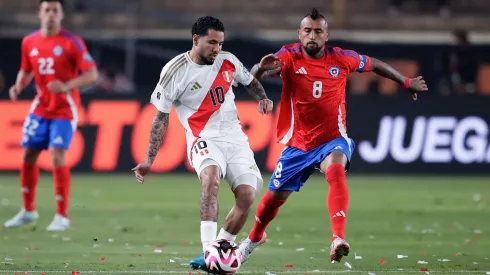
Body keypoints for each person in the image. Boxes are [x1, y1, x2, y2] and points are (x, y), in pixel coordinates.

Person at [238, 8, 428, 263]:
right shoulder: (288, 56)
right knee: (273, 200)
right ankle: (254, 238)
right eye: (307, 31)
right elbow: (252, 76)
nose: (312, 36)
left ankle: (337, 237)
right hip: (299, 144)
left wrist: (406, 82)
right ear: (299, 34)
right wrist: (261, 69)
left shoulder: (341, 58)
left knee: (336, 168)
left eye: (318, 31)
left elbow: (375, 64)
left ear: (327, 35)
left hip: (332, 138)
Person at [131, 16, 273, 272]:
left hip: (235, 138)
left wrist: (262, 97)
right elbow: (160, 118)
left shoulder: (227, 60)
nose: (217, 49)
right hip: (203, 138)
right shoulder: (175, 71)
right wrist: (149, 160)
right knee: (210, 179)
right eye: (211, 43)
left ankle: (222, 247)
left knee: (246, 196)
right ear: (195, 39)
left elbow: (249, 81)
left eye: (220, 43)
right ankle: (210, 252)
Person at [4, 0, 99, 232]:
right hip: (41, 106)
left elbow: (92, 74)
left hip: (65, 108)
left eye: (55, 10)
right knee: (28, 154)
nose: (50, 15)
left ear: (61, 14)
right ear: (40, 13)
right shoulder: (29, 41)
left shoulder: (71, 43)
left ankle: (61, 215)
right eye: (47, 10)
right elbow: (26, 69)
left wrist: (67, 85)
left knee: (57, 156)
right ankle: (28, 210)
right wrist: (18, 85)